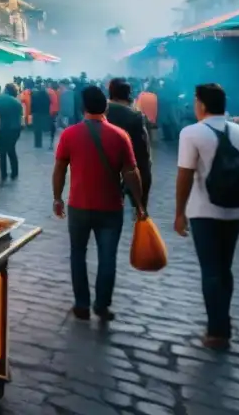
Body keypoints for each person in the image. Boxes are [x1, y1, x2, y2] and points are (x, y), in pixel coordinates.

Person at [175, 83, 239, 350]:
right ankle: (222, 319)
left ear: (201, 104)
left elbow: (185, 175)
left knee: (211, 270)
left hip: (204, 211)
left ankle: (217, 330)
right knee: (225, 267)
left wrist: (179, 212)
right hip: (235, 211)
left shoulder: (192, 133)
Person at [53, 86, 145, 322]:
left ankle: (81, 304)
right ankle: (102, 305)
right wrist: (140, 205)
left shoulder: (70, 134)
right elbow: (132, 173)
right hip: (111, 208)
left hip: (79, 206)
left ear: (83, 107)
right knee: (108, 257)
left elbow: (60, 169)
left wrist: (57, 198)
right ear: (105, 107)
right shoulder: (119, 135)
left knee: (77, 254)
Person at [106, 78, 152, 208]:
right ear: (129, 93)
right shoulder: (134, 116)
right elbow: (143, 153)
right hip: (129, 168)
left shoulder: (100, 112)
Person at [0, 83, 24, 182]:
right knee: (11, 150)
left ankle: (3, 174)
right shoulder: (16, 102)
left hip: (1, 130)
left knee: (1, 153)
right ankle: (14, 173)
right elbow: (20, 117)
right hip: (15, 130)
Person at [30, 79, 51, 148]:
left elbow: (32, 105)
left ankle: (37, 144)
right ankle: (49, 142)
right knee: (44, 127)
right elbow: (48, 104)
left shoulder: (34, 96)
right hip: (44, 114)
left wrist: (32, 112)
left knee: (37, 130)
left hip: (36, 114)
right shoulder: (46, 96)